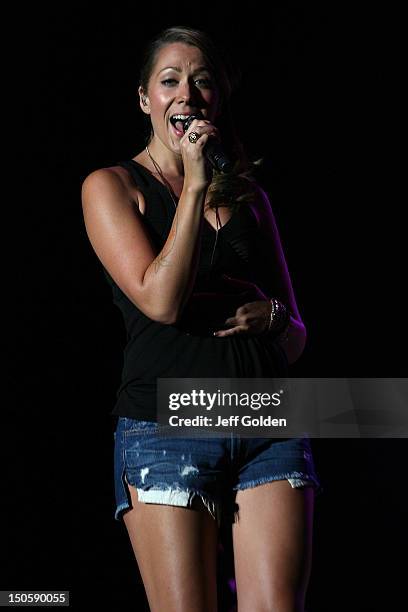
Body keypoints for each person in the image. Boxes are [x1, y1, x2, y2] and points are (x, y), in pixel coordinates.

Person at [81, 25, 321, 612]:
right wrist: (192, 183)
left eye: (202, 81)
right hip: (166, 424)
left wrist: (274, 315)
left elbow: (295, 339)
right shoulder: (113, 187)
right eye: (170, 81)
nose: (186, 94)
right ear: (145, 100)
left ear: (218, 101)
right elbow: (159, 300)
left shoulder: (248, 198)